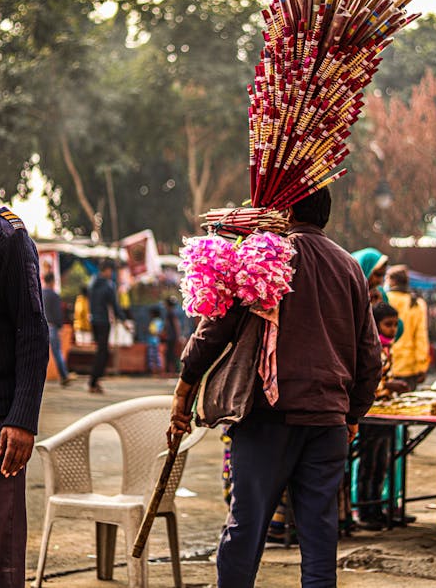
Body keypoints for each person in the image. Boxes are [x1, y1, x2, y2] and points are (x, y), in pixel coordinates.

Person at [168, 187, 382, 588]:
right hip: (328, 421)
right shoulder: (350, 267)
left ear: (285, 208)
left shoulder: (265, 256)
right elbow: (370, 357)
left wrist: (184, 389)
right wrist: (352, 414)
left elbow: (213, 330)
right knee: (319, 536)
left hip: (269, 419)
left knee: (246, 527)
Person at [0, 206, 49, 587]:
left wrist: (22, 419)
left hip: (3, 426)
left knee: (3, 549)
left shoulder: (9, 236)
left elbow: (33, 330)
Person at [356, 301, 408, 530]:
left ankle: (379, 508)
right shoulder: (372, 346)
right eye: (388, 325)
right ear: (376, 325)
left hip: (385, 412)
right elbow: (368, 380)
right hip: (371, 413)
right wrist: (390, 386)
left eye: (396, 325)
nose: (393, 329)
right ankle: (367, 510)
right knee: (370, 463)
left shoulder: (388, 348)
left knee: (382, 463)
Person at [386, 264, 430, 391]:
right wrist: (421, 366)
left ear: (392, 281)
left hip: (385, 364)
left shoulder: (384, 299)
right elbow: (421, 336)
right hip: (409, 366)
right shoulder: (417, 303)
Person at [88, 259, 128, 393]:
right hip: (103, 321)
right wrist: (124, 321)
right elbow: (115, 306)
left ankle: (94, 381)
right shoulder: (108, 285)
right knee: (103, 352)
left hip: (93, 320)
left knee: (100, 351)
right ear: (107, 270)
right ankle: (94, 381)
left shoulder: (92, 282)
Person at [42, 272, 71, 385]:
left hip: (41, 325)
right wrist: (60, 325)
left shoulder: (41, 293)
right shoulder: (54, 295)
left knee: (39, 353)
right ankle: (64, 375)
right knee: (57, 352)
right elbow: (58, 313)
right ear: (53, 281)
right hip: (52, 326)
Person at [164, 295, 182, 375]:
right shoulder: (171, 312)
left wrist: (178, 336)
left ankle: (172, 370)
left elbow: (176, 324)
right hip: (171, 336)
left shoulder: (171, 313)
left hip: (172, 336)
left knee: (171, 353)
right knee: (171, 353)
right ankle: (172, 370)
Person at [146, 306, 164, 375]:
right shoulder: (160, 321)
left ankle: (154, 371)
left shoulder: (154, 321)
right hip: (157, 341)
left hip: (152, 341)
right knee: (157, 356)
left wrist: (153, 332)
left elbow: (152, 331)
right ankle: (158, 370)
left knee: (152, 356)